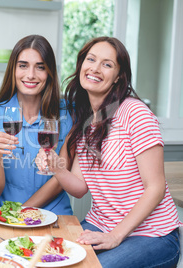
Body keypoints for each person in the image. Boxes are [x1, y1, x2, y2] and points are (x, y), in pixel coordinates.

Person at [36, 36, 181, 267]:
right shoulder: (86, 123)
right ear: (81, 65)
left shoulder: (135, 113)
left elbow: (156, 187)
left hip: (152, 236)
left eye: (107, 64)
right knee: (40, 256)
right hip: (100, 226)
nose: (95, 68)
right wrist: (56, 167)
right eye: (90, 59)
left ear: (118, 77)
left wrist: (116, 236)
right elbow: (79, 188)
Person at [0, 35, 73, 214]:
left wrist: (21, 213)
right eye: (23, 65)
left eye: (40, 67)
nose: (31, 75)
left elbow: (59, 180)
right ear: (13, 69)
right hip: (5, 216)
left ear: (50, 72)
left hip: (55, 215)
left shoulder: (67, 114)